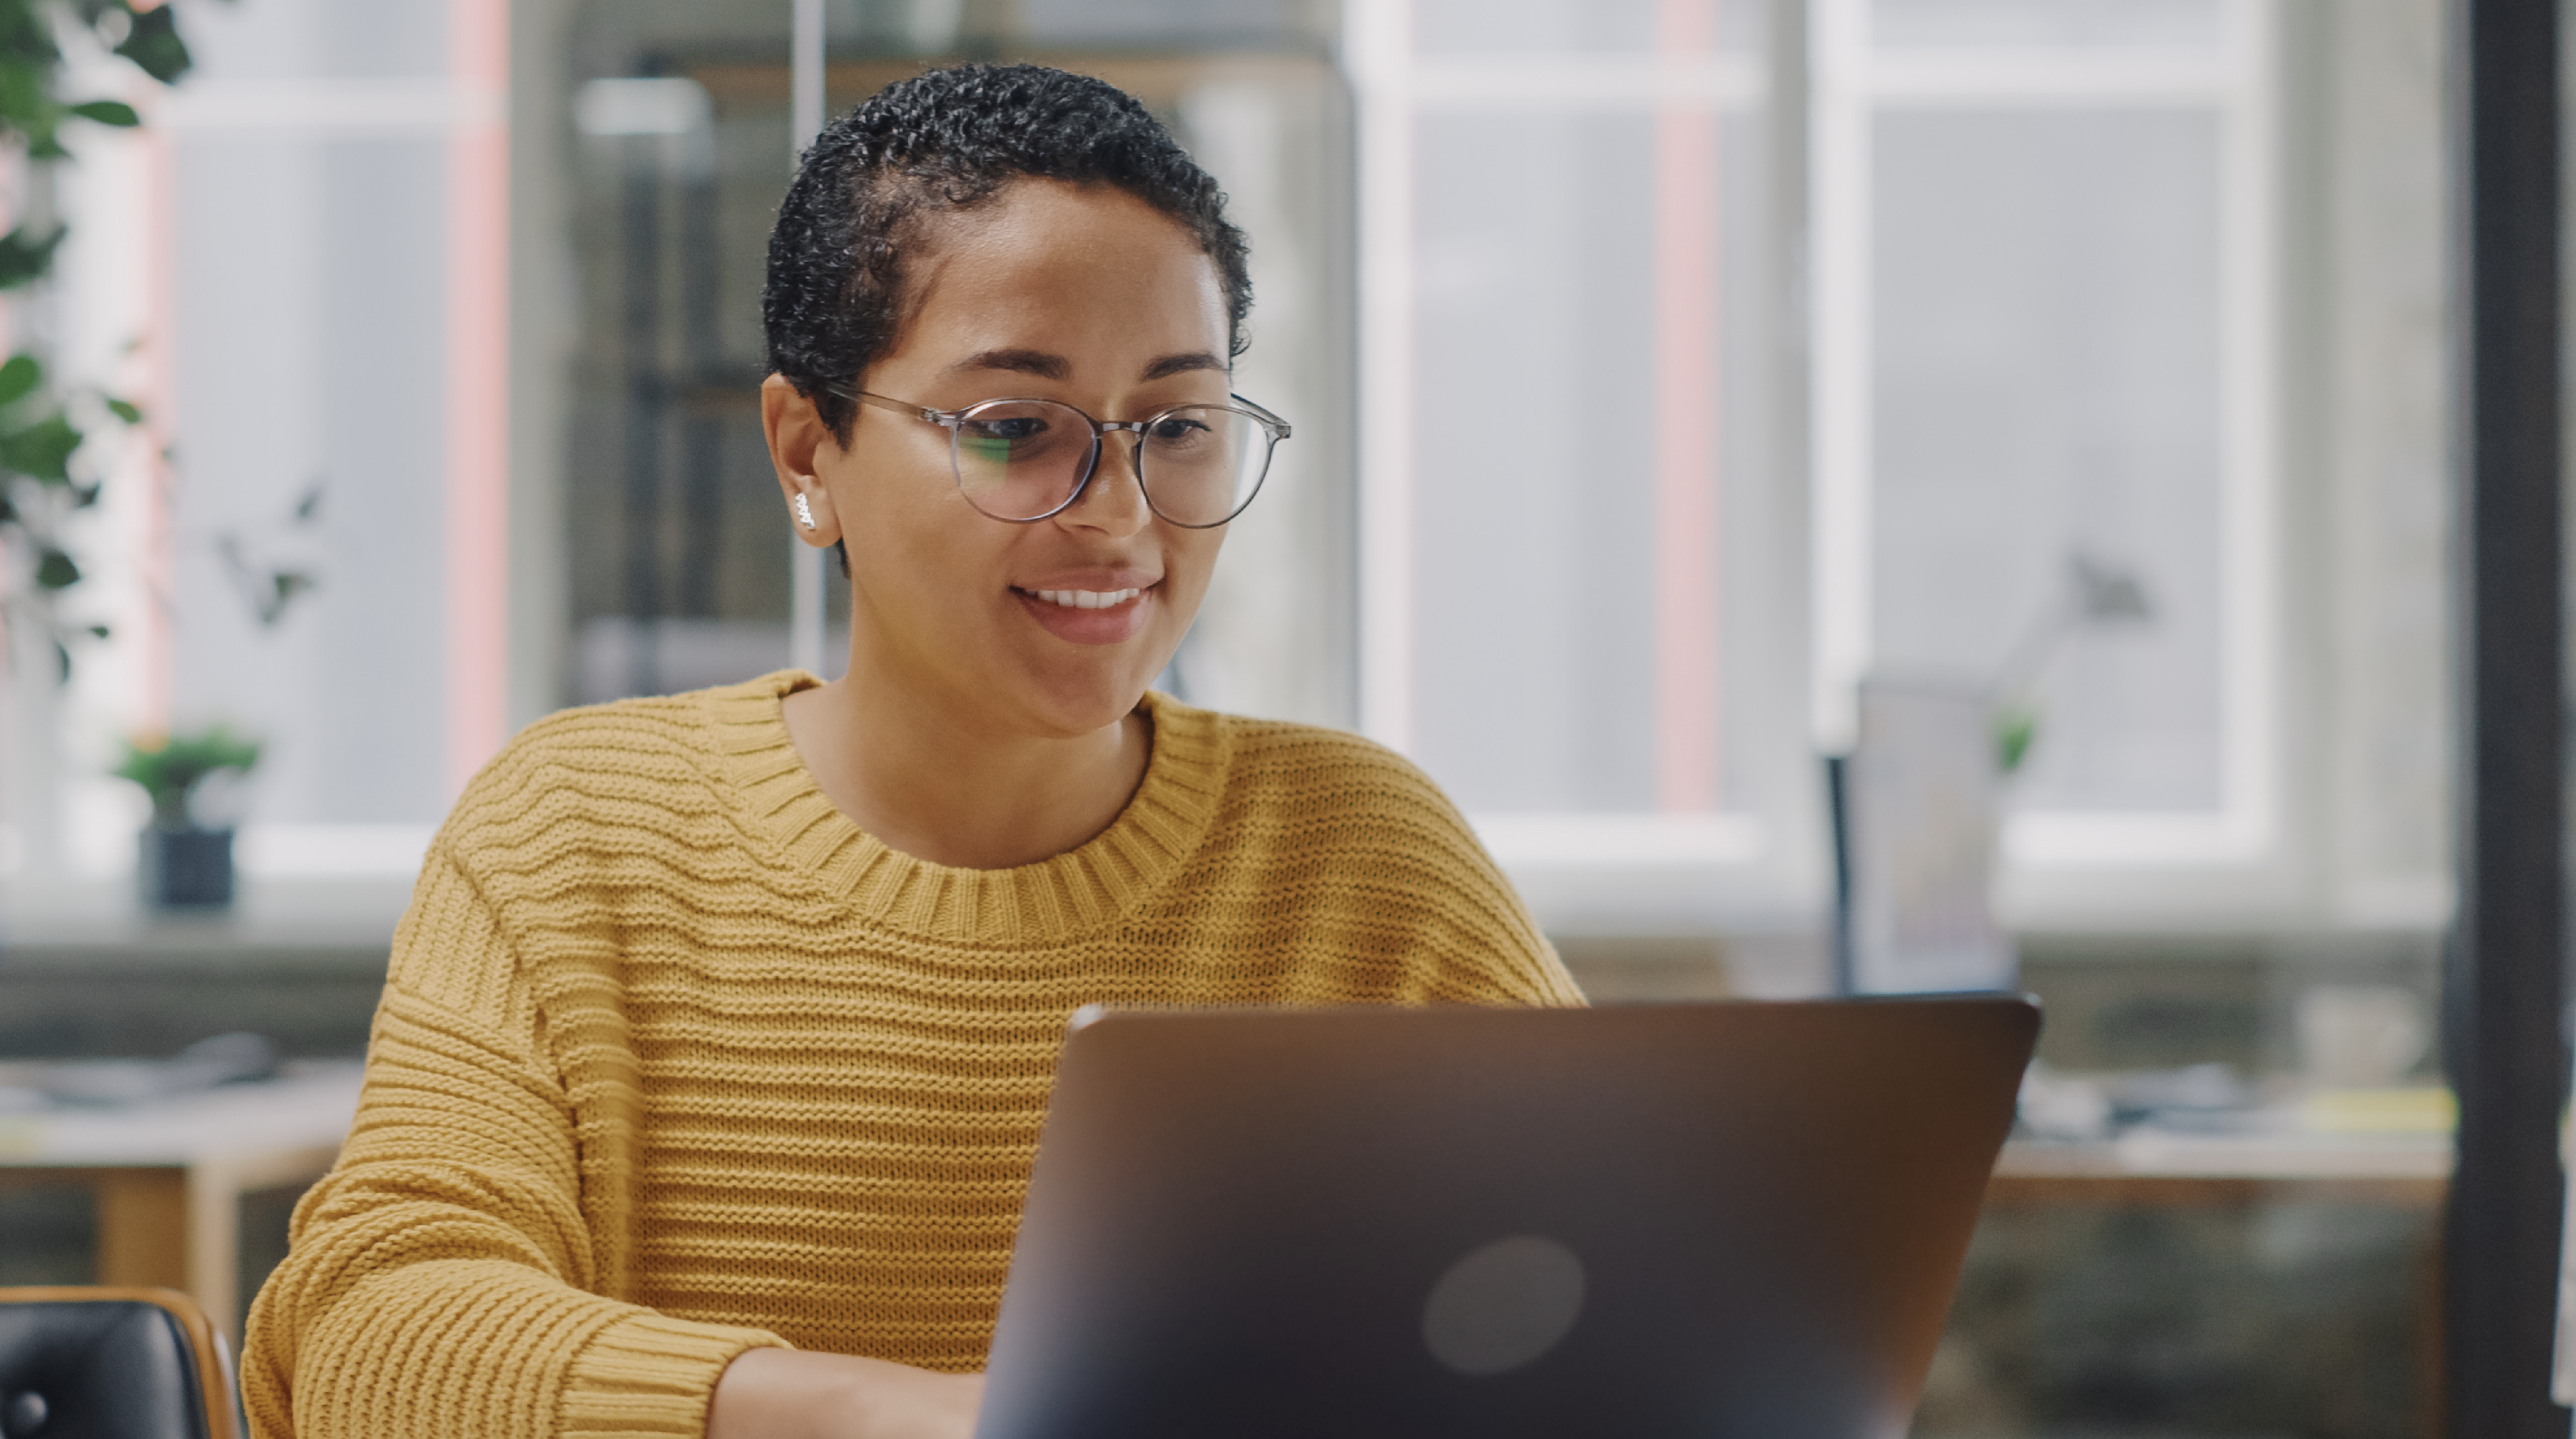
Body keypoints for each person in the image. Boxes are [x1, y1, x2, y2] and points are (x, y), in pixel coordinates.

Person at [237, 63, 1580, 1439]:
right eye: (1013, 430)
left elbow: (1630, 1312)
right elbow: (369, 1336)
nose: (1118, 520)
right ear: (806, 450)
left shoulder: (1363, 858)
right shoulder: (574, 835)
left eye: (1175, 428)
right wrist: (890, 1419)